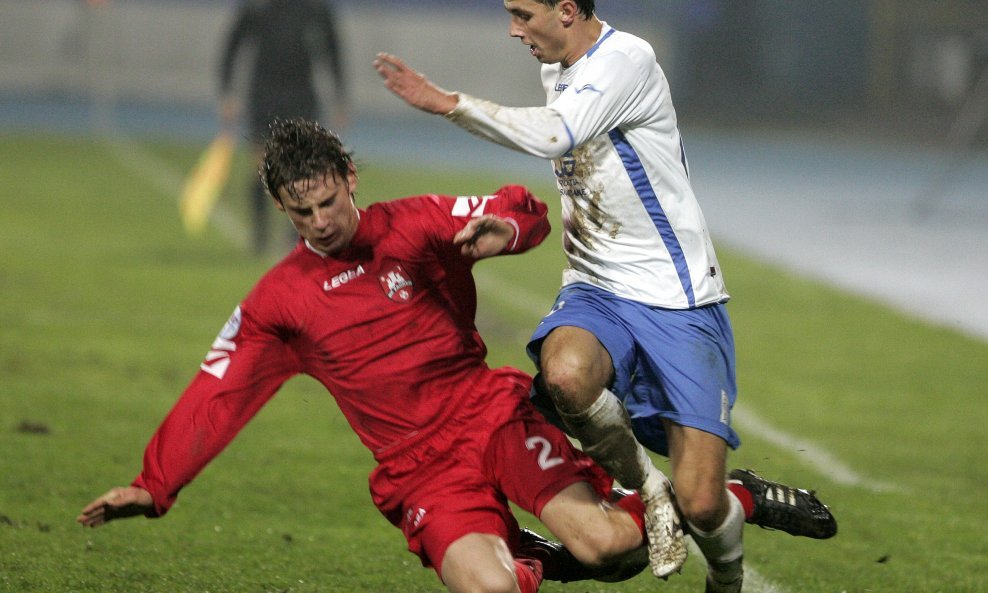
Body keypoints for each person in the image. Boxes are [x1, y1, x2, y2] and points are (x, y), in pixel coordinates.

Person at [77, 118, 653, 593]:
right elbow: (219, 389)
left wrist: (508, 226)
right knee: (491, 591)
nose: (321, 222)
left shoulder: (413, 225)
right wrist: (155, 484)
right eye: (303, 213)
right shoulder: (279, 301)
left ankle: (717, 496)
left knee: (606, 549)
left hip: (490, 417)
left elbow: (514, 205)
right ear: (281, 207)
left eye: (329, 202)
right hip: (420, 471)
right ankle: (522, 562)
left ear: (350, 178)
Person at [373, 1, 837, 591]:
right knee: (564, 374)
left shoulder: (627, 59)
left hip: (678, 299)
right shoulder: (557, 69)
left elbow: (557, 134)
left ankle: (727, 565)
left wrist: (450, 103)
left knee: (703, 504)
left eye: (523, 14)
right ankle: (649, 490)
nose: (514, 29)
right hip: (596, 289)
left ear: (567, 10)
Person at [218, 0, 350, 256]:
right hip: (263, 95)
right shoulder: (258, 6)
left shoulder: (315, 9)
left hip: (301, 97)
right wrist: (228, 92)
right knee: (261, 166)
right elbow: (233, 45)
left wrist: (340, 97)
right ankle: (260, 233)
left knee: (302, 171)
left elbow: (333, 51)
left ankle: (296, 235)